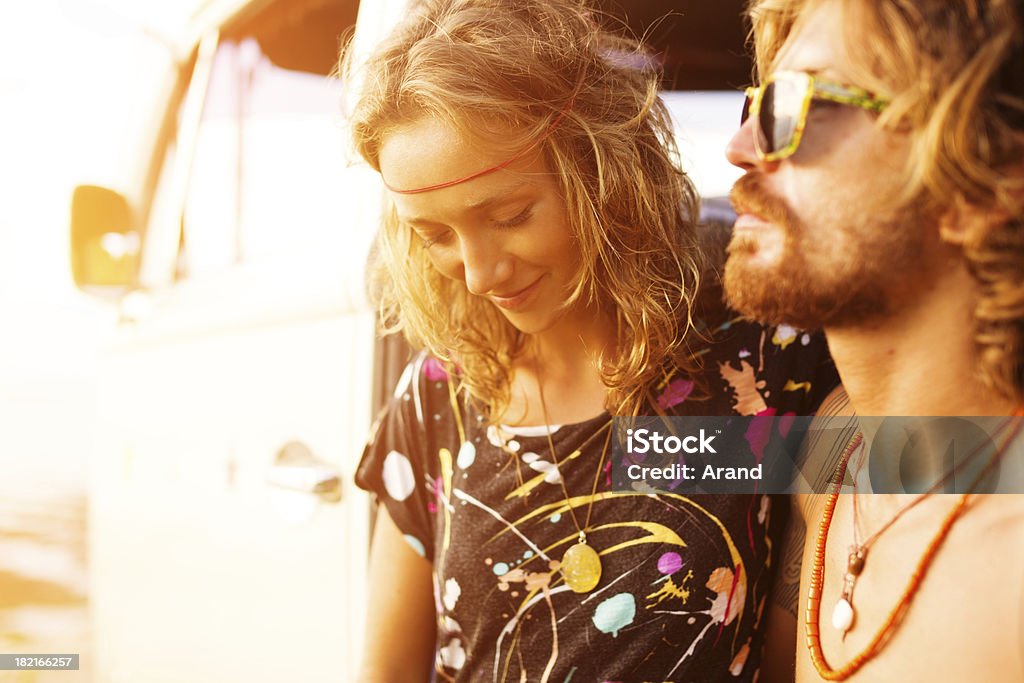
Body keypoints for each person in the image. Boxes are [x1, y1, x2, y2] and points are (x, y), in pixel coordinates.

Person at [349, 1, 837, 680]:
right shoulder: (438, 400)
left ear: (598, 169)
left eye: (511, 215)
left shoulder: (753, 365)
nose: (481, 272)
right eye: (434, 236)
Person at [724, 0, 1024, 680]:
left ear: (982, 187)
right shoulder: (832, 470)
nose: (739, 145)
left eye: (795, 106)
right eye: (756, 104)